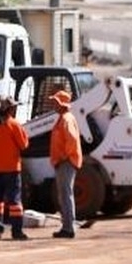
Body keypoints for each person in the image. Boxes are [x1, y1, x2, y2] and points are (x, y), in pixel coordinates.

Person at [0, 96, 30, 241]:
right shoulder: (14, 125)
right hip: (12, 169)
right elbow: (24, 145)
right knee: (15, 202)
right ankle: (17, 231)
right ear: (10, 110)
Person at [49, 90, 82, 239]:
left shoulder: (66, 119)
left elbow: (72, 140)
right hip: (63, 161)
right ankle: (67, 226)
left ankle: (69, 228)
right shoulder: (63, 118)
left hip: (66, 162)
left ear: (62, 104)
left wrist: (63, 157)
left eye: (56, 102)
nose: (53, 105)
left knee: (65, 194)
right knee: (64, 194)